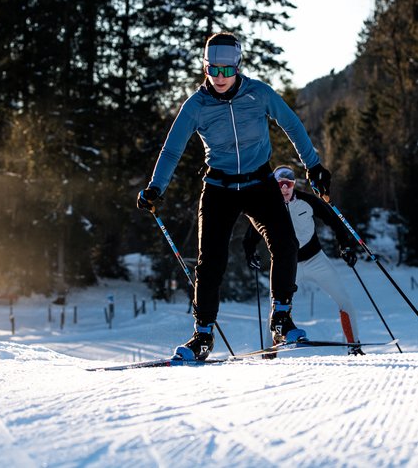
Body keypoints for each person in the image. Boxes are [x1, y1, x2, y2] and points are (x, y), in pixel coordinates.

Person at [137, 31, 331, 360]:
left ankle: (282, 320)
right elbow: (172, 150)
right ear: (205, 68)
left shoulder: (259, 94)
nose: (220, 77)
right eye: (213, 69)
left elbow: (293, 125)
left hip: (259, 183)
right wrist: (157, 187)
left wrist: (314, 166)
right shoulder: (195, 106)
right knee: (210, 262)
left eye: (227, 70)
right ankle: (202, 336)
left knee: (285, 244)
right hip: (219, 188)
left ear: (238, 67)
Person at [243, 165, 364, 355]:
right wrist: (251, 253)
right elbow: (251, 236)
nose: (284, 189)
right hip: (289, 266)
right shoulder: (268, 207)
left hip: (316, 259)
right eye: (280, 184)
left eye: (288, 184)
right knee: (277, 308)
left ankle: (354, 347)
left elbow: (334, 220)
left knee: (344, 300)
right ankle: (269, 353)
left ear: (293, 185)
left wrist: (345, 246)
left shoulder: (307, 201)